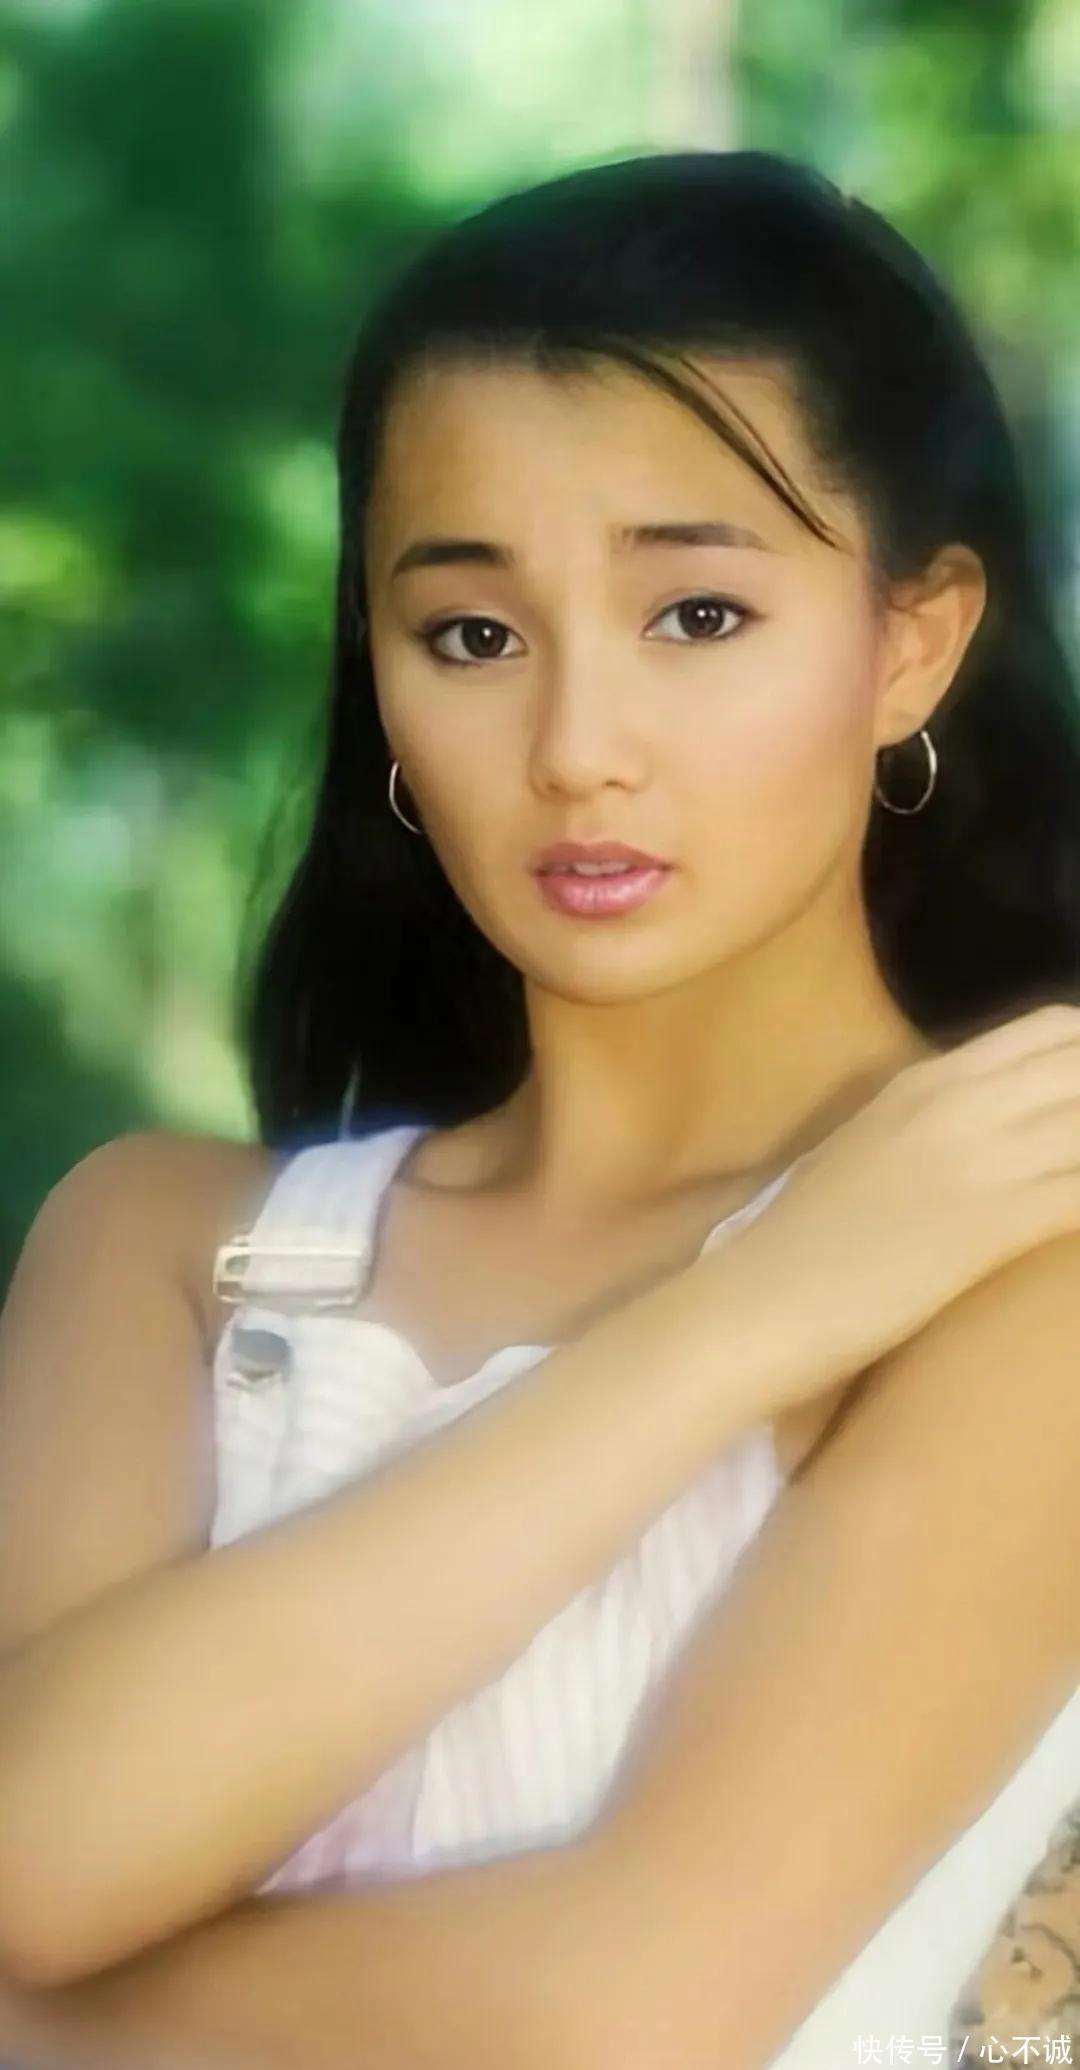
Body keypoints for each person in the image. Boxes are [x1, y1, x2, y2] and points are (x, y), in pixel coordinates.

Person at [1, 149, 1079, 2070]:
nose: (579, 749)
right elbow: (34, 1849)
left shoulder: (1027, 1246)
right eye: (474, 636)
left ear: (911, 642)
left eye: (698, 616)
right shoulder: (162, 1244)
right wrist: (751, 1311)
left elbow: (624, 2008)